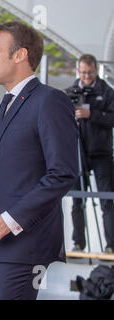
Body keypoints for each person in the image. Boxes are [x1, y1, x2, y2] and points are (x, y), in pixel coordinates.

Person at [0, 21, 78, 300]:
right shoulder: (1, 109)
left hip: (26, 247)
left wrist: (11, 220)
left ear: (20, 55)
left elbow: (63, 173)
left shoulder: (50, 101)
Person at [66, 54, 114, 254]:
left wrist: (91, 114)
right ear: (78, 71)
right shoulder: (69, 92)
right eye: (83, 72)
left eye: (90, 73)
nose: (86, 76)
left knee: (106, 200)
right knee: (77, 200)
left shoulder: (107, 92)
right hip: (77, 153)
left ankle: (111, 245)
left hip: (101, 153)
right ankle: (78, 243)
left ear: (96, 71)